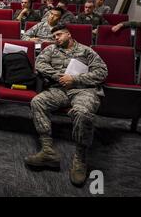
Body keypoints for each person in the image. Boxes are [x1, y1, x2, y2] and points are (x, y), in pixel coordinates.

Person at [24, 24, 107, 187]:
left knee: (82, 113)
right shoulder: (51, 49)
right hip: (60, 89)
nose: (56, 38)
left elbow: (102, 72)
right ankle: (48, 150)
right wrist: (60, 76)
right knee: (37, 101)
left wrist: (75, 79)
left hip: (83, 91)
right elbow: (40, 65)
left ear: (69, 34)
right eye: (54, 36)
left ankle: (80, 158)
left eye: (59, 35)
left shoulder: (86, 51)